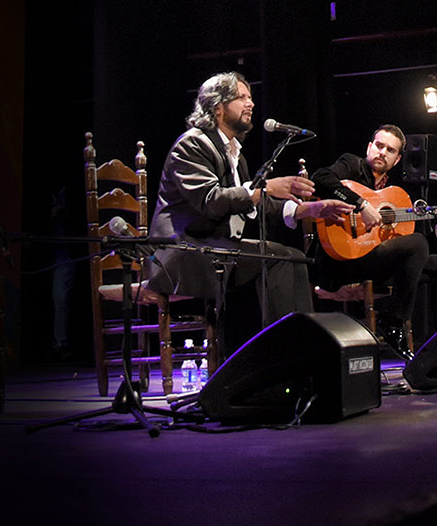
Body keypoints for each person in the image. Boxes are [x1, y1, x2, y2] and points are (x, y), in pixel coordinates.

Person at [142, 72, 352, 357]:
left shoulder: (234, 152)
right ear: (218, 107)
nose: (250, 103)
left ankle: (305, 350)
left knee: (294, 256)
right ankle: (278, 358)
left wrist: (309, 209)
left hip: (216, 247)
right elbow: (211, 200)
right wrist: (265, 187)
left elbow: (253, 204)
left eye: (250, 97)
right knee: (275, 258)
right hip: (182, 252)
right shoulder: (190, 145)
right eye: (242, 97)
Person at [310, 124, 437, 358]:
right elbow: (320, 178)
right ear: (369, 147)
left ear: (397, 159)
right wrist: (362, 204)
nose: (382, 152)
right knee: (417, 242)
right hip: (343, 262)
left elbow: (411, 255)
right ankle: (393, 322)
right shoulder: (352, 165)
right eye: (379, 146)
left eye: (390, 150)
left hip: (376, 262)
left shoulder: (394, 196)